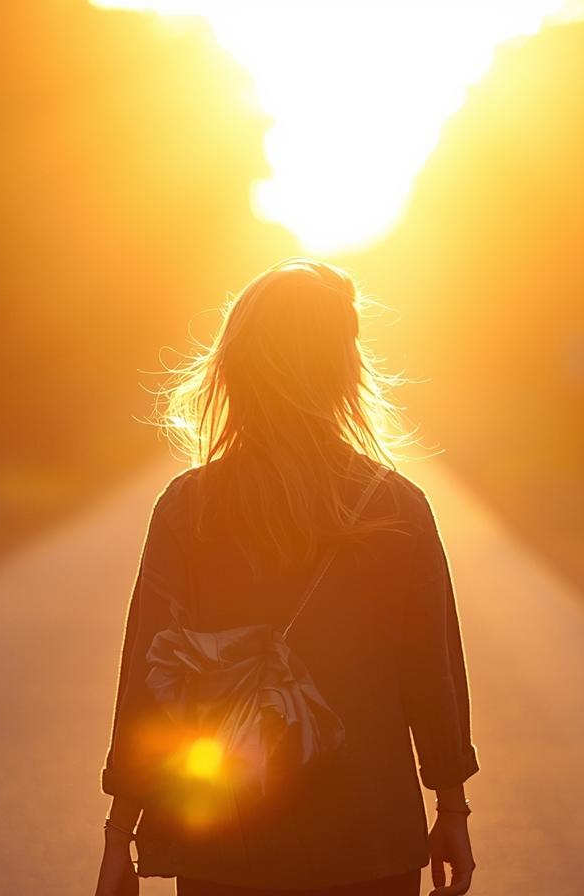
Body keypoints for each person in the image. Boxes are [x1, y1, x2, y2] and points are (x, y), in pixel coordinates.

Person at [94, 259, 479, 896]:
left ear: (234, 371)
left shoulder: (191, 507)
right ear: (344, 372)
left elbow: (147, 678)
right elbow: (431, 676)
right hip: (369, 838)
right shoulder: (397, 508)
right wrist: (452, 809)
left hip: (223, 840)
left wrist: (119, 833)